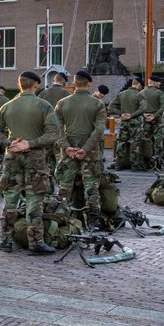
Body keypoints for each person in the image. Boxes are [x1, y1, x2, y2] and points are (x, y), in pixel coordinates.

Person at [0, 71, 62, 255]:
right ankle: (35, 242)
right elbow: (54, 134)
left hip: (11, 156)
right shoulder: (43, 106)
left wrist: (8, 142)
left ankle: (6, 240)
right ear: (36, 84)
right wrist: (30, 143)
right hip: (35, 158)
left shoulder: (8, 105)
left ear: (19, 85)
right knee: (34, 199)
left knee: (10, 199)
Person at [54, 70, 108, 230]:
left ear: (74, 83)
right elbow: (99, 130)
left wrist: (66, 147)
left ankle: (61, 218)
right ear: (89, 84)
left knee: (64, 187)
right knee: (91, 187)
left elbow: (56, 128)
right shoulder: (98, 104)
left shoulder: (62, 103)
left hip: (68, 152)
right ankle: (93, 222)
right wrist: (85, 149)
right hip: (90, 153)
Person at [109, 78, 146, 170]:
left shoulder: (121, 94)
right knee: (134, 145)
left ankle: (118, 164)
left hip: (124, 123)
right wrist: (132, 115)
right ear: (139, 85)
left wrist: (121, 114)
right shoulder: (140, 95)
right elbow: (143, 109)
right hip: (135, 124)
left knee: (121, 144)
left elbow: (111, 107)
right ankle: (135, 165)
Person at [139, 76, 164, 169]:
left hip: (144, 120)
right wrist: (154, 115)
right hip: (157, 121)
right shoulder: (159, 93)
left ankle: (146, 162)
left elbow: (137, 107)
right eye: (158, 82)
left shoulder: (140, 93)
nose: (160, 83)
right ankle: (157, 163)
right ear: (153, 82)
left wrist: (144, 115)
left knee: (146, 141)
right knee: (158, 142)